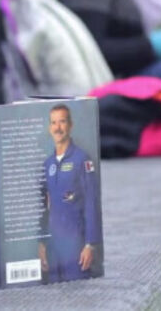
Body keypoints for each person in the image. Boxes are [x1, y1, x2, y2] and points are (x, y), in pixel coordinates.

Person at [38, 104, 102, 282]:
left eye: (62, 122)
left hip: (76, 245)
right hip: (53, 246)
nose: (58, 127)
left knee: (78, 291)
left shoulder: (82, 159)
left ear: (70, 125)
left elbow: (91, 202)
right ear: (50, 127)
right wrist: (41, 242)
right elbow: (42, 208)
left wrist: (90, 244)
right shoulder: (47, 164)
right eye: (54, 123)